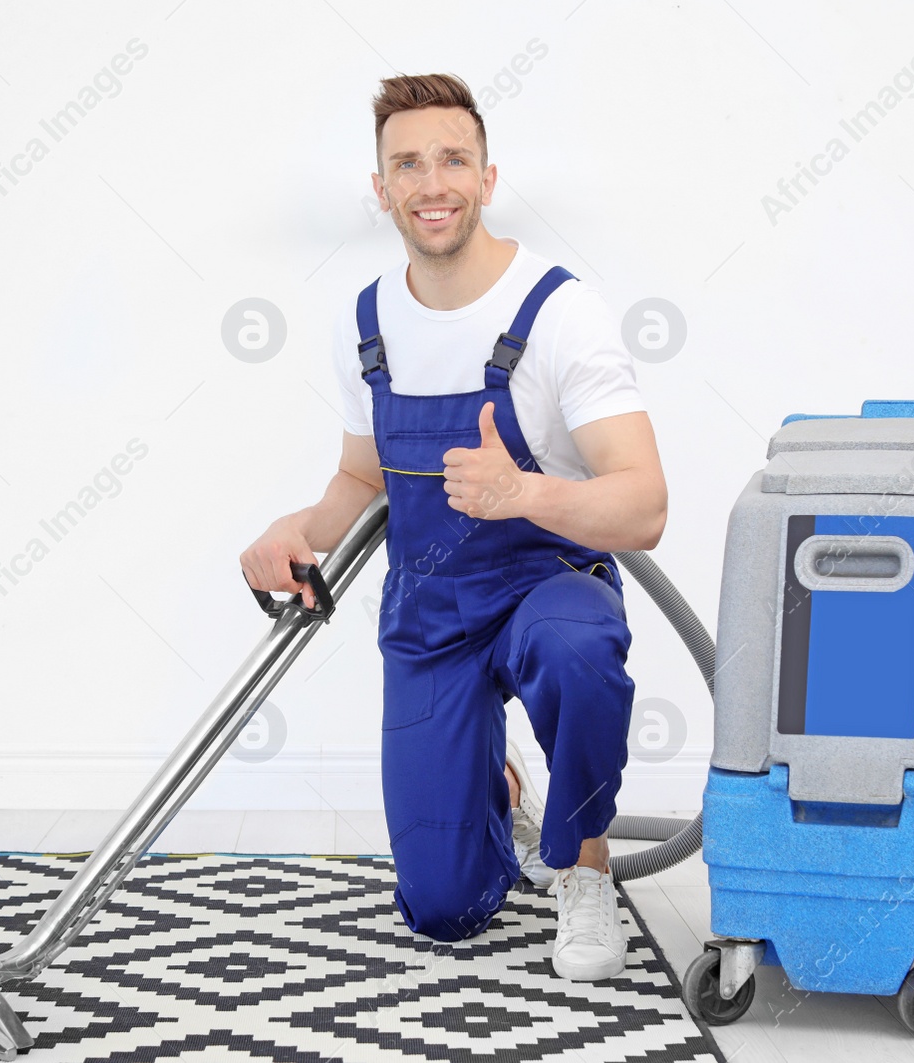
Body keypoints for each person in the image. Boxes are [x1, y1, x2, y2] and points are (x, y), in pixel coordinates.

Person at [239, 72, 666, 981]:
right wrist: (298, 526)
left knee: (575, 652)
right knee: (443, 909)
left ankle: (583, 870)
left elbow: (645, 504)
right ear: (381, 188)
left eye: (452, 160)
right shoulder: (368, 322)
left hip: (549, 585)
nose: (432, 182)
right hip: (432, 609)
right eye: (408, 164)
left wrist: (527, 495)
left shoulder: (558, 312)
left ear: (487, 176)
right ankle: (497, 784)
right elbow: (362, 474)